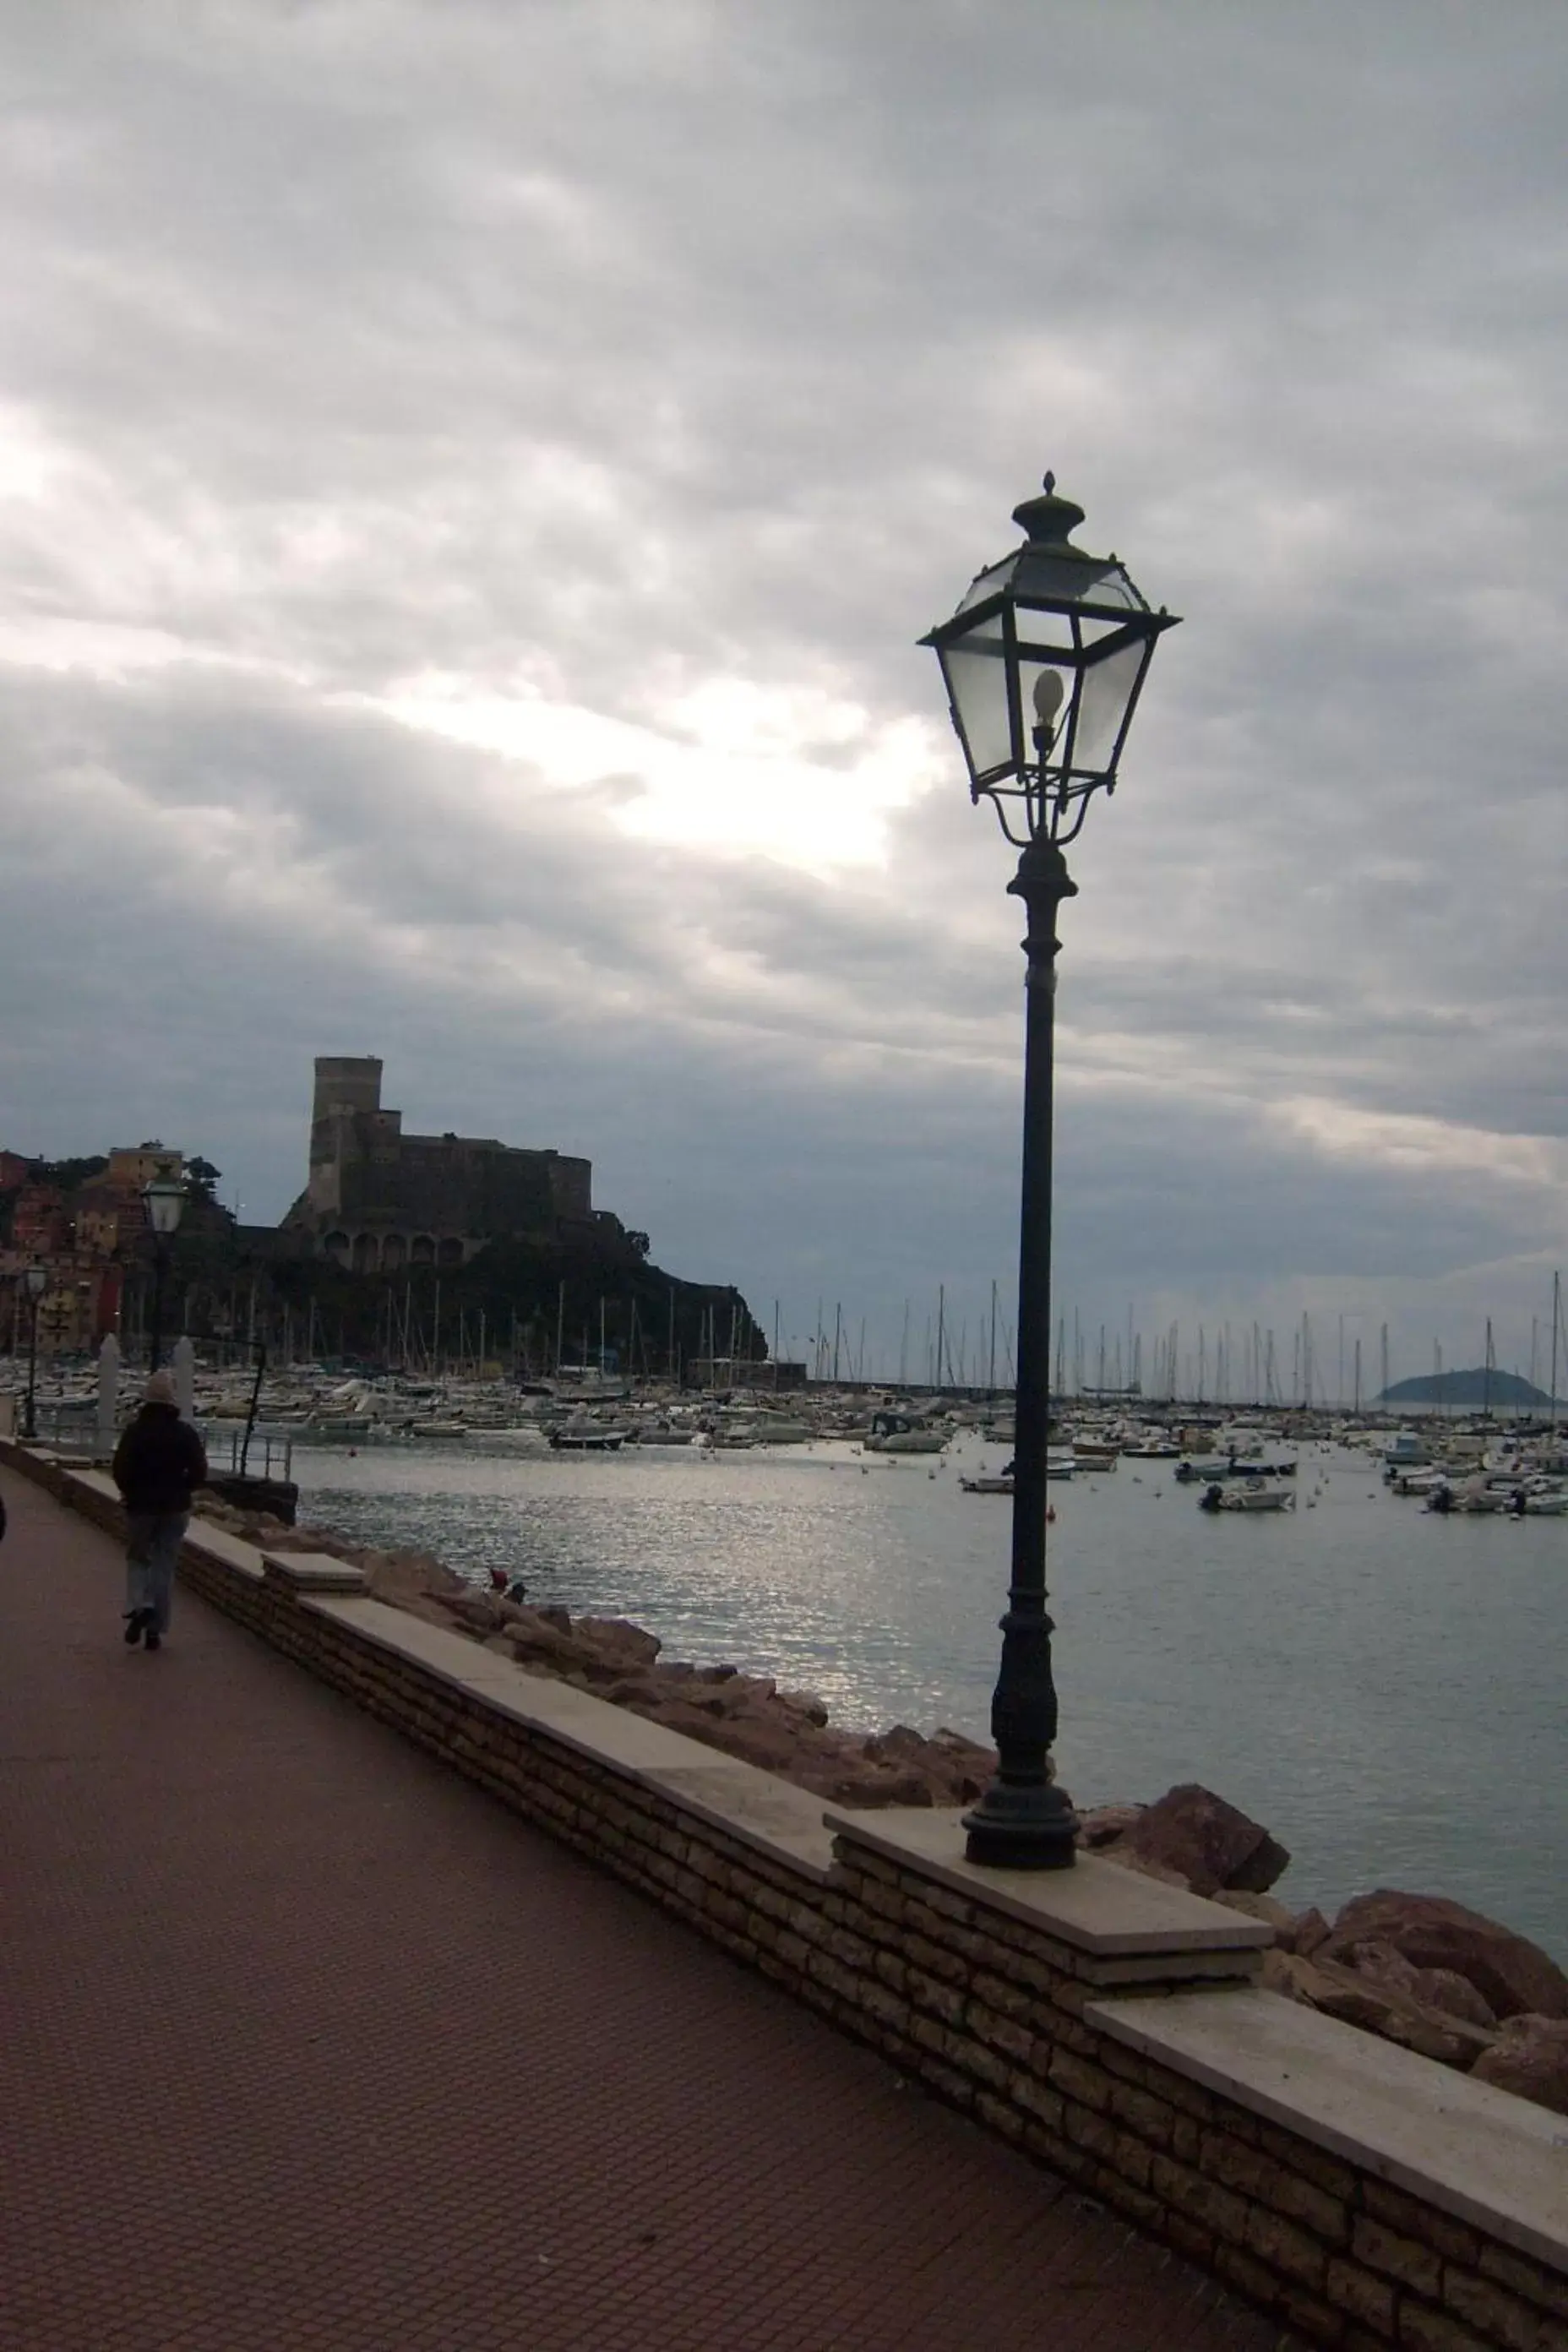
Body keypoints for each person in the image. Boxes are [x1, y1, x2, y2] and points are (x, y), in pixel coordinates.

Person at [112, 1369, 207, 1652]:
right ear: (171, 1400)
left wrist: (129, 1493)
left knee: (138, 1557)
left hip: (141, 1507)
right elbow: (200, 1470)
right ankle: (155, 1630)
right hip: (175, 1507)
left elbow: (121, 1469)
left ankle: (139, 1604)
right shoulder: (184, 1433)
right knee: (165, 1564)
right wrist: (184, 1488)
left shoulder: (135, 1432)